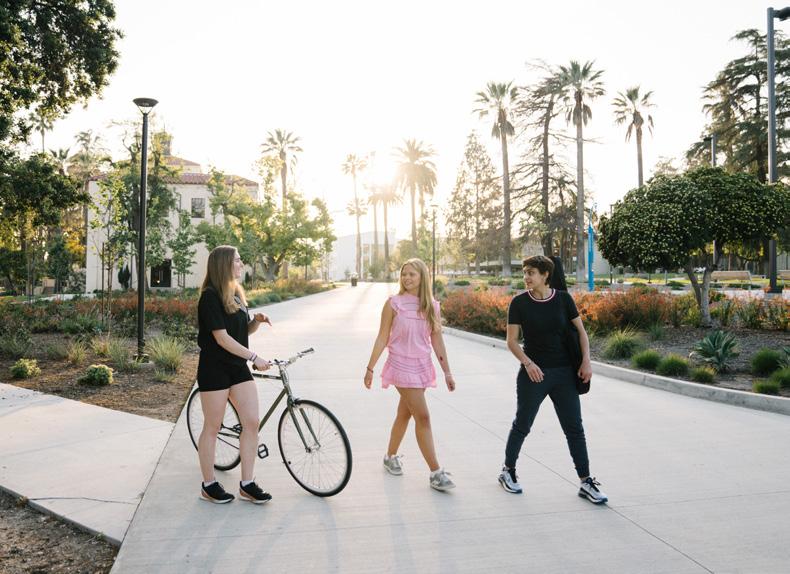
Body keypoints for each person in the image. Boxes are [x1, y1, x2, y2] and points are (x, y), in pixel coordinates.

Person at [497, 255, 607, 504]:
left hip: (564, 374)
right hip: (534, 374)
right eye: (525, 272)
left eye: (531, 272)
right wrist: (528, 363)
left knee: (574, 429)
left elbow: (581, 332)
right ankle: (508, 470)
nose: (526, 277)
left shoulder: (563, 299)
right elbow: (511, 341)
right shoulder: (519, 303)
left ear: (545, 274)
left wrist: (586, 361)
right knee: (522, 424)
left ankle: (586, 481)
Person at [363, 258, 456, 492]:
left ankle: (390, 456)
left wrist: (447, 372)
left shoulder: (432, 306)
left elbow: (437, 341)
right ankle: (435, 472)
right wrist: (370, 367)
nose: (406, 278)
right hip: (400, 364)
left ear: (422, 277)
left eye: (412, 274)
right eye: (404, 274)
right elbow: (382, 337)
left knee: (404, 414)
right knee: (423, 417)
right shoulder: (393, 304)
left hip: (422, 366)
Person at [196, 245, 273, 504]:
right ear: (224, 265)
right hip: (215, 368)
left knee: (251, 422)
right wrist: (254, 357)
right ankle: (208, 485)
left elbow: (240, 332)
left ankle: (247, 484)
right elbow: (222, 338)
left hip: (237, 368)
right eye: (237, 260)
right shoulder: (209, 297)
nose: (241, 264)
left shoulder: (236, 293)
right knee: (213, 426)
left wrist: (255, 322)